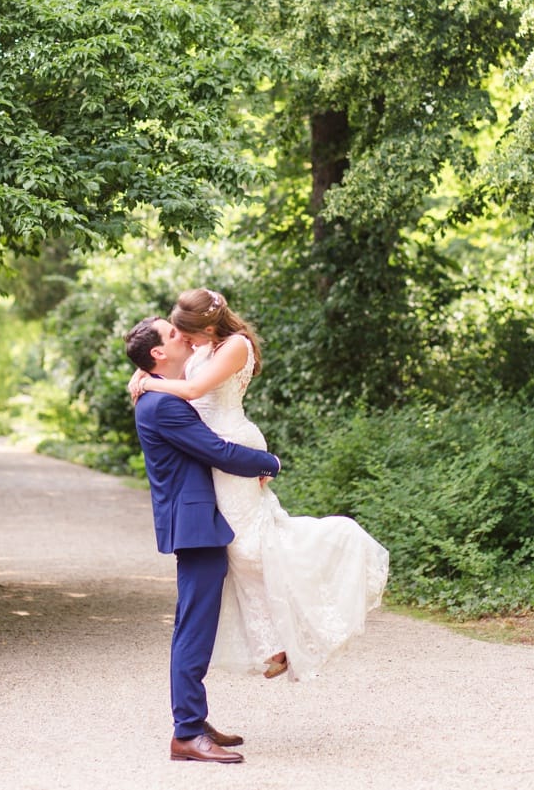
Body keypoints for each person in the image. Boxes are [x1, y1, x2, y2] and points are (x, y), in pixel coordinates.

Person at [130, 289, 390, 684]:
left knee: (249, 547)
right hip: (213, 452)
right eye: (177, 335)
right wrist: (144, 372)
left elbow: (194, 391)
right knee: (239, 549)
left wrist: (149, 384)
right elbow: (175, 372)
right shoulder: (201, 349)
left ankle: (303, 620)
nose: (185, 340)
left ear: (209, 326)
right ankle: (275, 642)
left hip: (232, 447)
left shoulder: (235, 345)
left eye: (189, 333)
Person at [125, 316, 281, 765]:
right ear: (158, 353)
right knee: (193, 629)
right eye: (173, 335)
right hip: (195, 525)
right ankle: (187, 733)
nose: (183, 336)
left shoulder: (158, 390)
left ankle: (194, 720)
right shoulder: (163, 406)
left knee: (192, 625)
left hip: (197, 520)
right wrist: (269, 460)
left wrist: (142, 377)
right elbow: (219, 452)